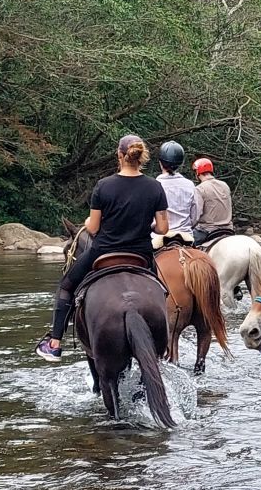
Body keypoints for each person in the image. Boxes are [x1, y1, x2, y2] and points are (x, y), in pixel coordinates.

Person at [34, 135, 169, 361]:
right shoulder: (154, 186)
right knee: (162, 291)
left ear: (119, 155)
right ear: (142, 157)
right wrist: (146, 224)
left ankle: (54, 342)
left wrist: (87, 223)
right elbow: (163, 228)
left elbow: (94, 228)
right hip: (141, 255)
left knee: (66, 286)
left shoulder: (103, 186)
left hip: (104, 251)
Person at [153, 140, 201, 247]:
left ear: (160, 163)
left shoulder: (154, 185)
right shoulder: (190, 185)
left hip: (159, 238)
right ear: (181, 163)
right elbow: (195, 216)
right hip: (186, 237)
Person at [192, 157, 235, 244]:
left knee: (186, 248)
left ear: (197, 172)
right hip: (228, 229)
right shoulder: (225, 185)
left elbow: (196, 214)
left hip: (207, 230)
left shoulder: (200, 189)